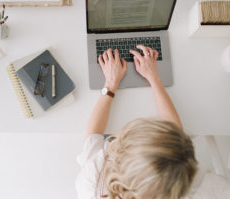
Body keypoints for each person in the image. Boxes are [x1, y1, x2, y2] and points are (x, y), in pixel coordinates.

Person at [76, 45, 198, 199]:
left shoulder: (92, 186)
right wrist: (154, 78)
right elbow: (174, 131)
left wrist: (110, 84)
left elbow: (93, 135)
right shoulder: (175, 184)